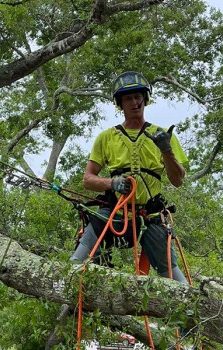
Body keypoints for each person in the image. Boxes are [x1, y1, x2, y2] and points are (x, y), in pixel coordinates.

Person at [70, 71, 188, 283]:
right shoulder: (106, 138)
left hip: (151, 215)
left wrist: (166, 150)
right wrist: (112, 183)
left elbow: (178, 180)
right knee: (78, 261)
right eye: (128, 98)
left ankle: (191, 312)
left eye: (138, 96)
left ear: (145, 99)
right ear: (120, 104)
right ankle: (73, 299)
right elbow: (88, 179)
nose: (135, 102)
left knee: (173, 275)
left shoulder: (163, 135)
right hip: (115, 210)